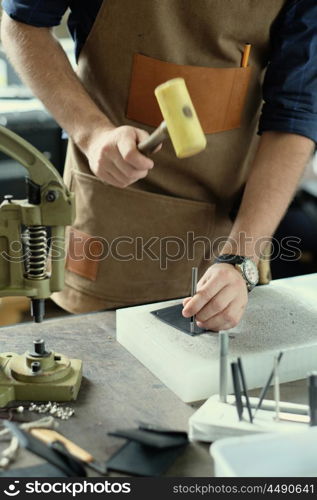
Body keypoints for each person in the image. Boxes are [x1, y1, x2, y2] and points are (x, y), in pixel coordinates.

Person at [1, 0, 316, 332]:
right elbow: (22, 24)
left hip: (230, 231)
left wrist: (241, 258)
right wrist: (92, 133)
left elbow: (295, 114)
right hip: (108, 213)